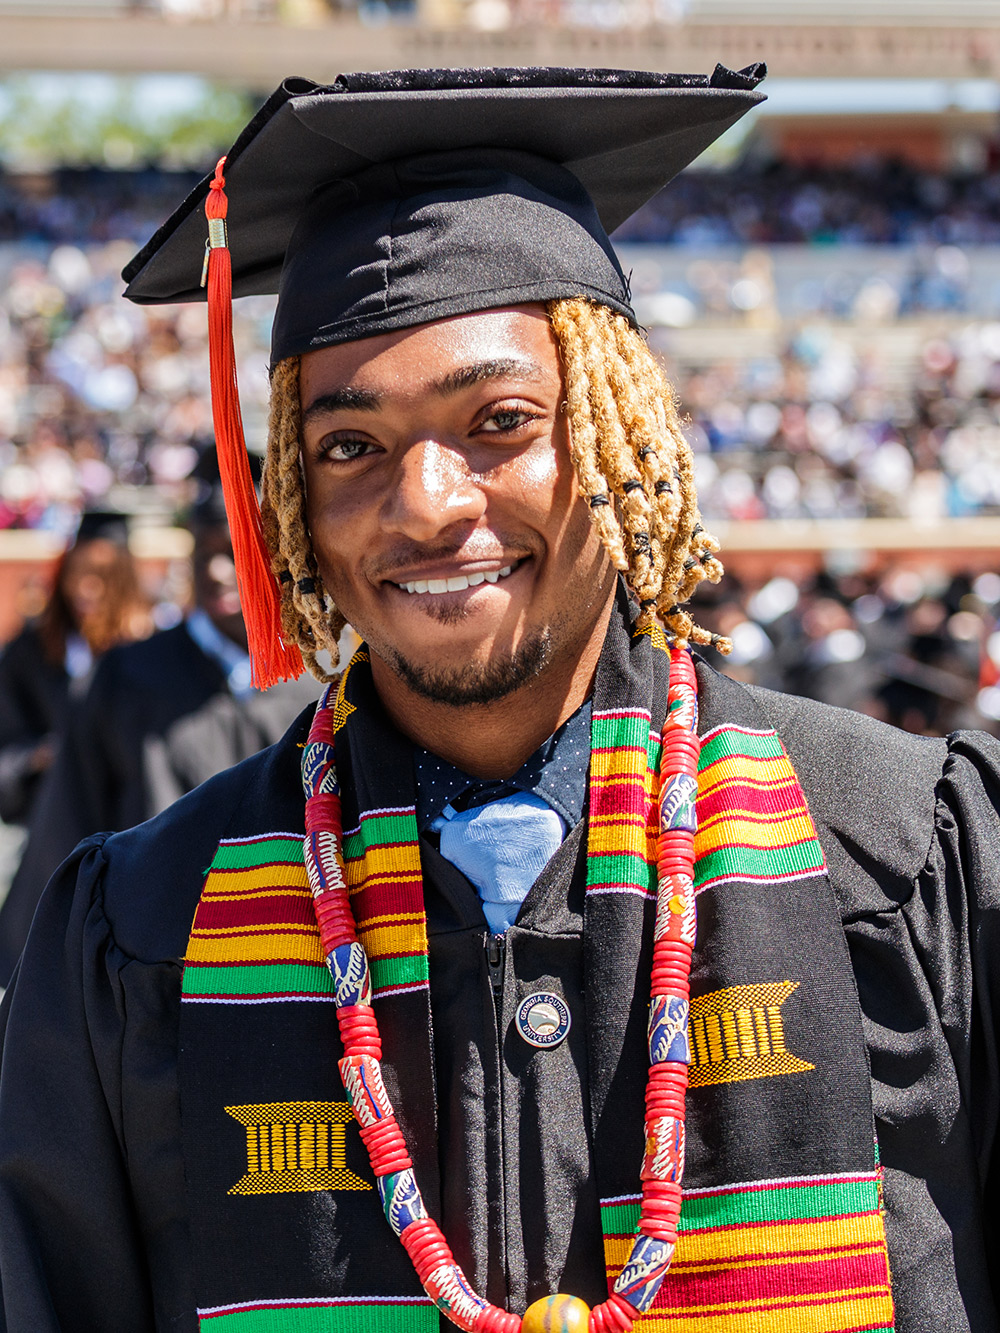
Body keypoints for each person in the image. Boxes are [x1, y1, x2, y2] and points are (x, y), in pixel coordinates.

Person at [0, 65, 998, 1333]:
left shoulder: (908, 859)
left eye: (500, 420)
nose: (425, 503)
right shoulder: (144, 928)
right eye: (348, 445)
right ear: (293, 499)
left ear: (620, 435)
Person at [0, 477, 319, 984]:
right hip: (153, 975)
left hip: (296, 971)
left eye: (238, 552)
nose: (218, 572)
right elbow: (68, 824)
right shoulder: (127, 676)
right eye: (206, 549)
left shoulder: (319, 684)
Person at [0, 510, 148, 829]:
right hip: (51, 819)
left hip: (132, 822)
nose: (86, 589)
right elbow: (7, 742)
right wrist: (38, 755)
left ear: (124, 581)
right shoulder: (30, 652)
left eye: (101, 577)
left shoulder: (150, 653)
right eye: (76, 573)